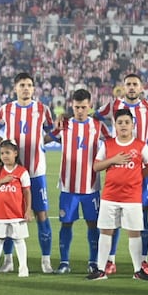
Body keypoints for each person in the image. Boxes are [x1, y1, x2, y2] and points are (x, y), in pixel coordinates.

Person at [0, 72, 54, 273]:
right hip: (11, 173)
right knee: (9, 216)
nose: (25, 88)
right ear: (15, 88)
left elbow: (53, 131)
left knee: (41, 214)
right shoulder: (6, 109)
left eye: (29, 85)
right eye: (22, 85)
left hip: (36, 172)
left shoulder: (43, 109)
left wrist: (41, 143)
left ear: (34, 89)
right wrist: (4, 147)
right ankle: (8, 261)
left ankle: (46, 260)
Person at [95, 73, 148, 275]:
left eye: (135, 84)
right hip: (115, 175)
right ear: (123, 87)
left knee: (142, 218)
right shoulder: (113, 105)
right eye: (128, 84)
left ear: (141, 87)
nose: (131, 87)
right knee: (110, 223)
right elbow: (94, 117)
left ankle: (142, 262)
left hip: (137, 170)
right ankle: (109, 261)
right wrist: (107, 139)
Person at [49, 89, 110, 274]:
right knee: (66, 223)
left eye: (84, 107)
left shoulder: (98, 126)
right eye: (77, 107)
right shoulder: (64, 124)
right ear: (71, 106)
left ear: (90, 106)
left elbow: (112, 144)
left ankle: (93, 262)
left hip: (91, 186)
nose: (80, 111)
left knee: (93, 223)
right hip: (68, 185)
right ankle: (64, 262)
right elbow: (46, 137)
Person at [0, 139, 32, 278]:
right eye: (2, 153)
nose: (5, 156)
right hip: (0, 213)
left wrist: (28, 210)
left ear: (15, 153)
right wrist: (2, 181)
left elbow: (27, 192)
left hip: (16, 213)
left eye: (8, 152)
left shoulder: (22, 171)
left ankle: (23, 268)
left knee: (19, 240)